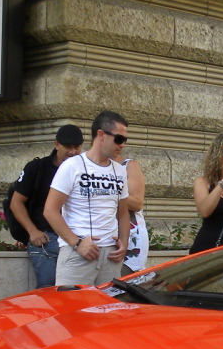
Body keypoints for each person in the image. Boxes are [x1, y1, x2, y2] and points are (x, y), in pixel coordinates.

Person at [44, 111, 131, 286]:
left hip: (111, 255)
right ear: (101, 135)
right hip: (78, 253)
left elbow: (122, 212)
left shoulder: (119, 170)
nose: (122, 145)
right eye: (119, 139)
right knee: (70, 310)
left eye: (124, 140)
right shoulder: (72, 165)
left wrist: (124, 243)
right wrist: (77, 243)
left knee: (108, 312)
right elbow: (50, 210)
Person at [9, 124, 84, 288]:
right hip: (46, 239)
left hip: (77, 239)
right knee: (49, 292)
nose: (72, 152)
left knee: (76, 294)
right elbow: (16, 202)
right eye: (68, 147)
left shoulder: (86, 170)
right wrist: (32, 231)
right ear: (56, 144)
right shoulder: (37, 168)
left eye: (77, 147)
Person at [121, 153, 148, 273]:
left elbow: (137, 203)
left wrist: (108, 190)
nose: (121, 144)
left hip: (129, 242)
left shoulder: (129, 166)